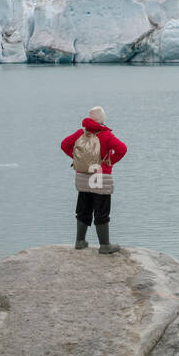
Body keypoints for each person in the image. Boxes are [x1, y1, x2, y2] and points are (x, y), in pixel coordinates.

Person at [61, 106, 127, 254]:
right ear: (102, 119)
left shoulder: (80, 133)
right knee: (101, 209)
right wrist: (109, 162)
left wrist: (78, 160)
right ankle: (104, 245)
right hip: (100, 176)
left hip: (83, 175)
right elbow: (122, 149)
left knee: (83, 207)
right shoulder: (107, 136)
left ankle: (80, 241)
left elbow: (64, 145)